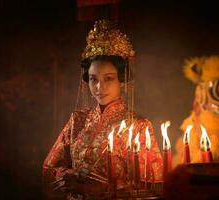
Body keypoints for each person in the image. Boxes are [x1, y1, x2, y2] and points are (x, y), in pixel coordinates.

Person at [42, 20, 163, 199]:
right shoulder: (78, 120)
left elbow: (153, 187)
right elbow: (49, 168)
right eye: (93, 79)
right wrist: (66, 176)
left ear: (121, 80)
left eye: (108, 78)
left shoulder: (138, 125)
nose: (99, 87)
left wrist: (103, 188)